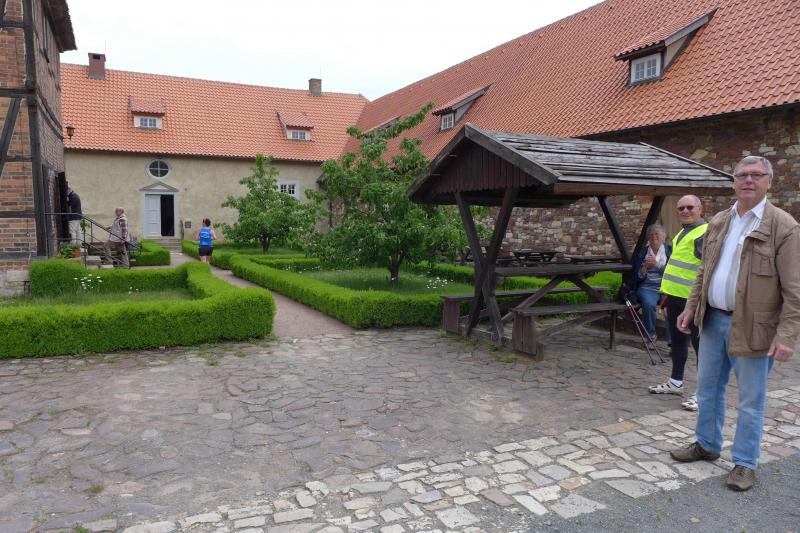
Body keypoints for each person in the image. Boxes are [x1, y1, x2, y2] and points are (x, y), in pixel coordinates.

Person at [670, 156, 800, 492]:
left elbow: (794, 289)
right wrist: (691, 306)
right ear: (734, 182)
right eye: (742, 175)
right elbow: (704, 270)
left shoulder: (783, 227)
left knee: (750, 400)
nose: (748, 180)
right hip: (713, 320)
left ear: (769, 181)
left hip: (755, 327)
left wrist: (787, 335)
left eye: (756, 175)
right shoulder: (719, 221)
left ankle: (745, 462)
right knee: (707, 389)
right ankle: (707, 444)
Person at [648, 195, 706, 411]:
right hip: (674, 297)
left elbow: (708, 268)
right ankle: (675, 382)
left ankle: (704, 393)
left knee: (701, 348)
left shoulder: (704, 233)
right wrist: (667, 295)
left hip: (693, 300)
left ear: (700, 209)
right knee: (678, 342)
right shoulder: (683, 232)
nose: (685, 211)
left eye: (690, 207)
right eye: (681, 208)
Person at [630, 224, 671, 345]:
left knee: (671, 307)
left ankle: (672, 341)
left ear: (663, 237)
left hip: (666, 288)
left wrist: (658, 266)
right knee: (648, 304)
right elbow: (637, 277)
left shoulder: (670, 252)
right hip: (647, 288)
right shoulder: (642, 253)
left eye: (657, 234)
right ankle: (651, 335)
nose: (654, 237)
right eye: (651, 235)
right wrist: (645, 267)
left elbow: (673, 274)